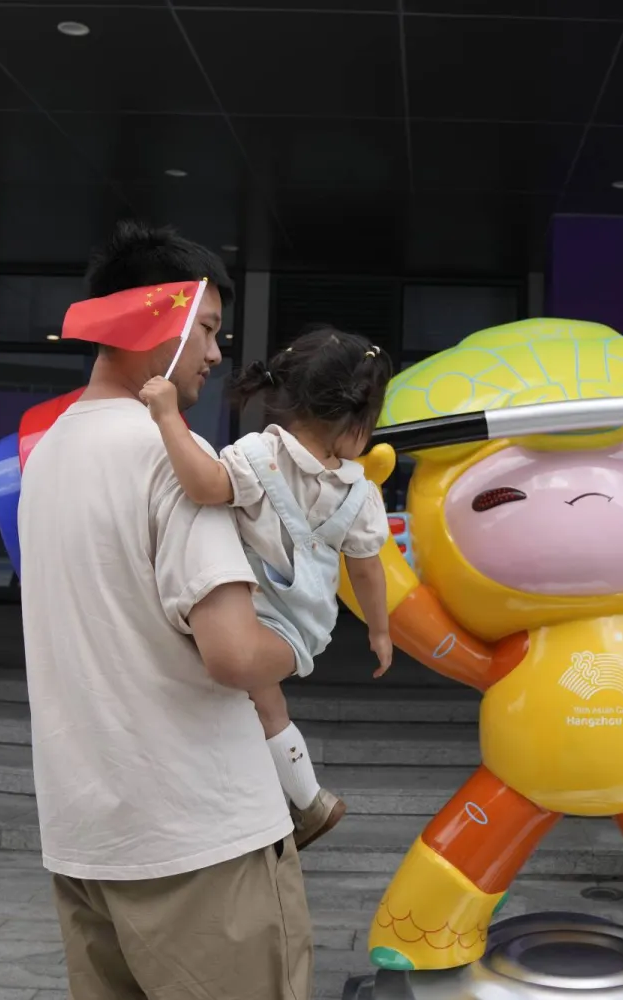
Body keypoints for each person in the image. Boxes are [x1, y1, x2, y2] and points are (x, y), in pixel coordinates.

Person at [18, 220, 312, 999]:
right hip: (199, 839)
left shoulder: (45, 454)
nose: (216, 356)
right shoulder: (172, 456)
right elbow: (234, 654)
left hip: (85, 838)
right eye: (207, 330)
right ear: (158, 318)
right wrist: (305, 639)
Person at [138, 325, 395, 837]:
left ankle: (308, 800)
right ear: (356, 420)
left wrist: (168, 417)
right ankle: (309, 801)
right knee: (265, 699)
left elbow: (205, 486)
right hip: (300, 630)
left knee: (251, 694)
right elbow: (367, 568)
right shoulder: (362, 493)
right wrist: (380, 630)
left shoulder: (259, 455)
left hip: (246, 615)